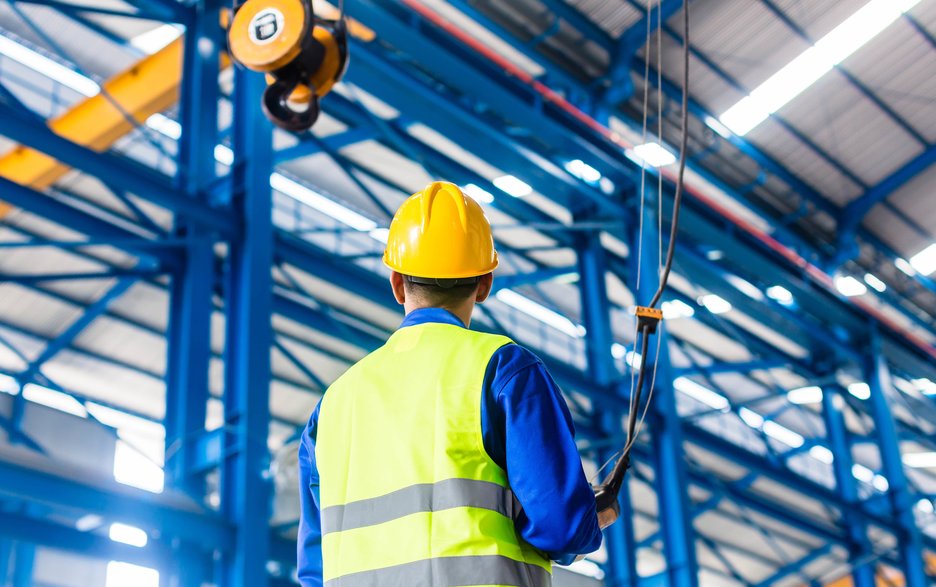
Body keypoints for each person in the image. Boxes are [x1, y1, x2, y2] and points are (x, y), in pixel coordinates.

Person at [297, 181, 603, 586]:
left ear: (396, 282)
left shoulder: (332, 407)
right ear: (484, 284)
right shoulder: (504, 371)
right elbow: (563, 527)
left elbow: (314, 570)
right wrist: (594, 516)